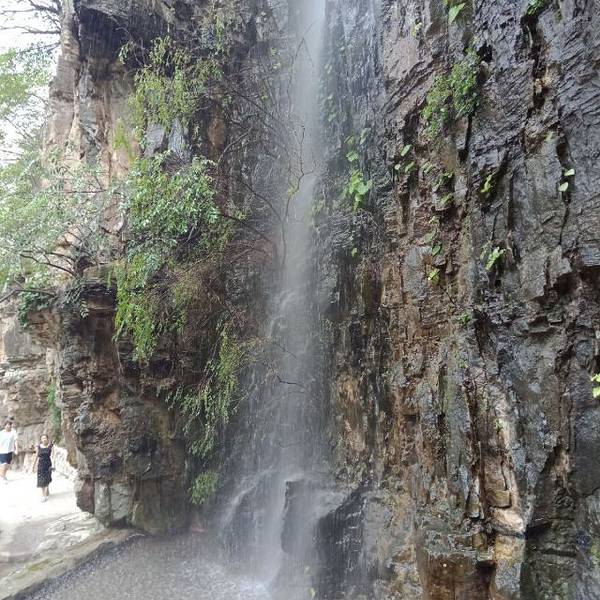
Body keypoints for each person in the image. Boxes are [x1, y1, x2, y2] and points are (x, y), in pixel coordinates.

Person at [32, 434, 54, 502]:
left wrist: (54, 465)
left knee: (47, 478)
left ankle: (47, 489)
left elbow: (53, 456)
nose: (44, 439)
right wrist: (33, 466)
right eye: (43, 438)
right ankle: (43, 495)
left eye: (45, 438)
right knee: (41, 479)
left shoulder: (50, 446)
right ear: (41, 440)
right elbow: (36, 456)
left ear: (47, 439)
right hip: (41, 465)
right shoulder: (38, 447)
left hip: (48, 464)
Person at [0, 420, 18, 484]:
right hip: (2, 450)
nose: (8, 426)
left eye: (9, 425)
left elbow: (15, 441)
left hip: (10, 451)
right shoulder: (1, 433)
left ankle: (3, 475)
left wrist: (16, 449)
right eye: (7, 425)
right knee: (4, 464)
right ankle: (3, 478)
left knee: (7, 465)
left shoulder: (13, 432)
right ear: (4, 426)